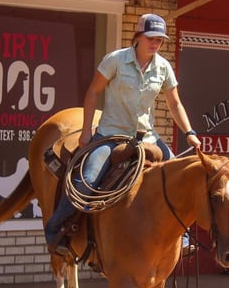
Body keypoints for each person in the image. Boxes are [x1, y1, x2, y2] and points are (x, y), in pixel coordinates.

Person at [45, 13, 202, 258]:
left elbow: (175, 104)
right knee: (86, 181)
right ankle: (56, 231)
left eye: (160, 40)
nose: (155, 44)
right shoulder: (116, 60)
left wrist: (190, 132)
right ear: (138, 36)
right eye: (151, 38)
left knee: (179, 178)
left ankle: (182, 239)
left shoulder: (163, 68)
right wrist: (86, 130)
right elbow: (92, 92)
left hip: (147, 137)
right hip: (111, 135)